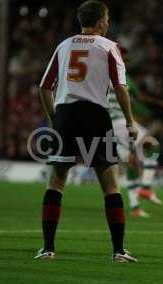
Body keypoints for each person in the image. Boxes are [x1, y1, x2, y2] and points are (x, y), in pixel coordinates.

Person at [35, 0, 138, 262]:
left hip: (66, 115)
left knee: (56, 182)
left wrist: (53, 119)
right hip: (95, 116)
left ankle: (48, 248)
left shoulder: (64, 45)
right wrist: (129, 121)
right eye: (107, 19)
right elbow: (120, 86)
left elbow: (44, 86)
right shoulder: (109, 47)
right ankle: (118, 251)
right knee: (111, 186)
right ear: (102, 21)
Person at [108, 47, 162, 218]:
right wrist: (148, 106)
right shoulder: (121, 74)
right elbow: (138, 97)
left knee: (131, 163)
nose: (126, 62)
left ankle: (135, 207)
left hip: (108, 126)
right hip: (119, 122)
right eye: (125, 58)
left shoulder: (99, 75)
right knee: (152, 144)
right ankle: (146, 187)